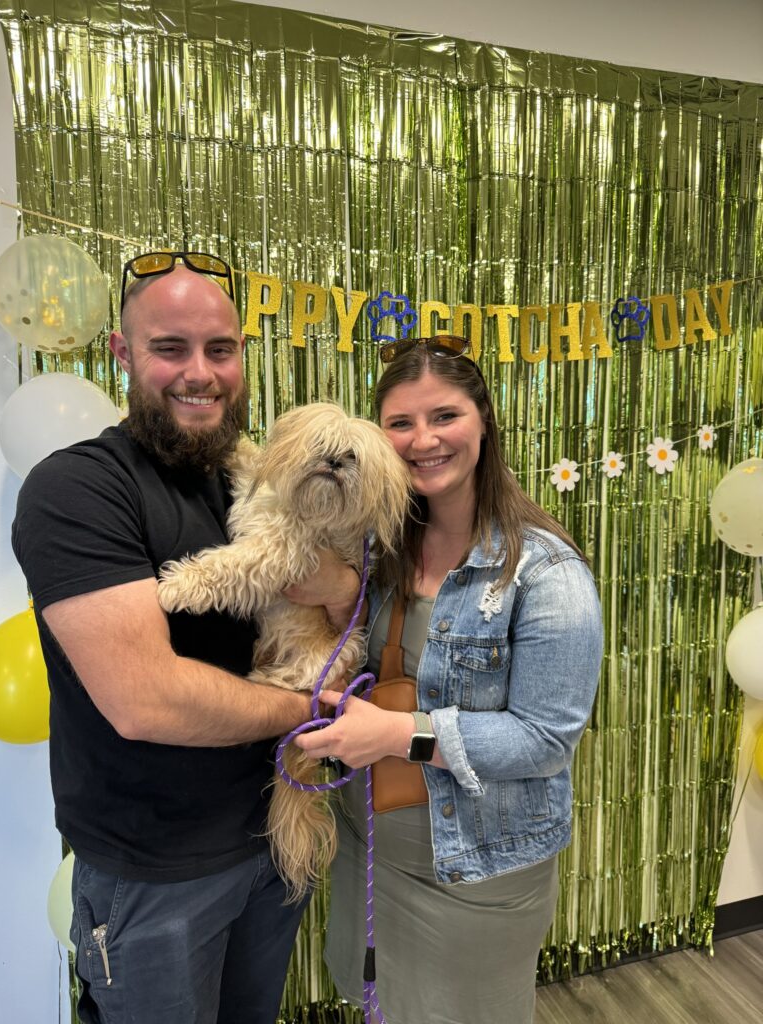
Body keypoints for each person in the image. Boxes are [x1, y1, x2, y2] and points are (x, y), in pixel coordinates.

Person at [11, 252, 362, 1024]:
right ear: (124, 354)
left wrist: (339, 587)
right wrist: (313, 707)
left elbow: (351, 584)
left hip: (273, 842)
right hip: (155, 877)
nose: (199, 373)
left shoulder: (250, 477)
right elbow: (147, 702)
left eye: (221, 349)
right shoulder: (79, 491)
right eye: (170, 348)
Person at [295, 336, 604, 1024]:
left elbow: (545, 741)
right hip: (370, 856)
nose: (423, 440)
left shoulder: (546, 574)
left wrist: (399, 733)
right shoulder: (377, 548)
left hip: (475, 876)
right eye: (400, 423)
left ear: (484, 421)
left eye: (444, 416)